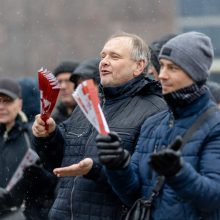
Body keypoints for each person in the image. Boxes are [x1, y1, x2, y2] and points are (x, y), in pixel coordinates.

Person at [32, 32, 167, 220]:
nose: (104, 61)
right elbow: (58, 162)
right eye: (103, 56)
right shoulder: (89, 104)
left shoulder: (155, 109)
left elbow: (141, 184)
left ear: (139, 66)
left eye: (115, 56)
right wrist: (49, 135)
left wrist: (94, 170)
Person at [96, 32, 220, 220]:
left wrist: (179, 173)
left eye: (173, 68)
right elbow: (132, 195)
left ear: (195, 73)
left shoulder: (214, 126)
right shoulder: (153, 123)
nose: (162, 75)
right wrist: (118, 165)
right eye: (161, 66)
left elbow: (214, 200)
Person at [0, 77, 57, 220]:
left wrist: (39, 177)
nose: (1, 107)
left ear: (19, 104)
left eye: (7, 101)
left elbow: (54, 181)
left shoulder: (33, 136)